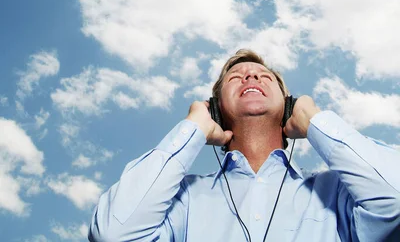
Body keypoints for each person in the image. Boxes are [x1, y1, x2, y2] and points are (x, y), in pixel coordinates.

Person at [88, 49, 400, 242]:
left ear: (288, 105)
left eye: (265, 76)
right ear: (215, 109)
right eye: (235, 77)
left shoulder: (336, 192)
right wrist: (192, 127)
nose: (250, 73)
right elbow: (114, 234)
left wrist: (315, 119)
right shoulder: (183, 200)